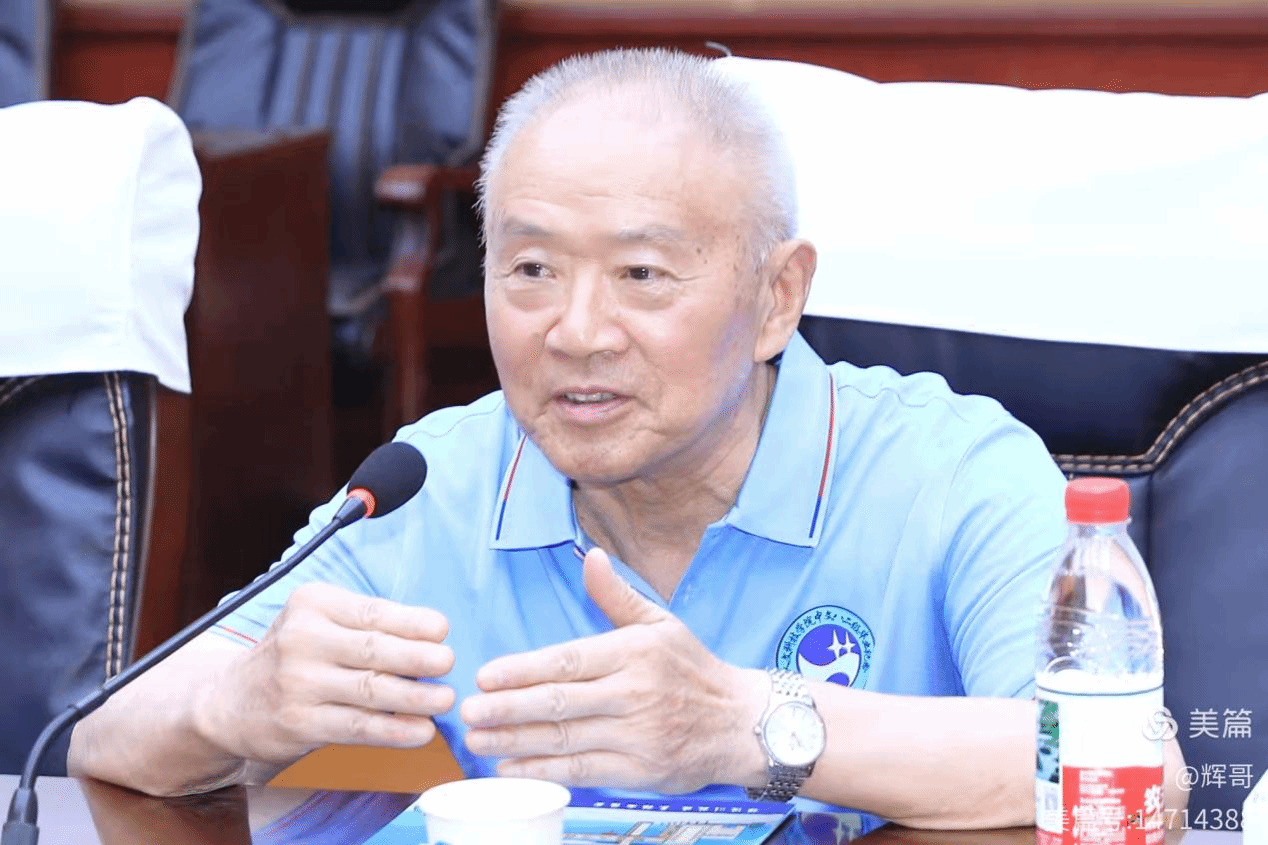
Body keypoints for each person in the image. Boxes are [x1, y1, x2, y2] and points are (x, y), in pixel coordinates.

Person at [67, 48, 1185, 830]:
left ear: (776, 298)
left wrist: (747, 726)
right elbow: (100, 739)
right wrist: (238, 700)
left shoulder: (951, 470)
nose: (576, 331)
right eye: (530, 269)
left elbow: (1135, 771)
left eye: (642, 274)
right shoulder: (431, 480)